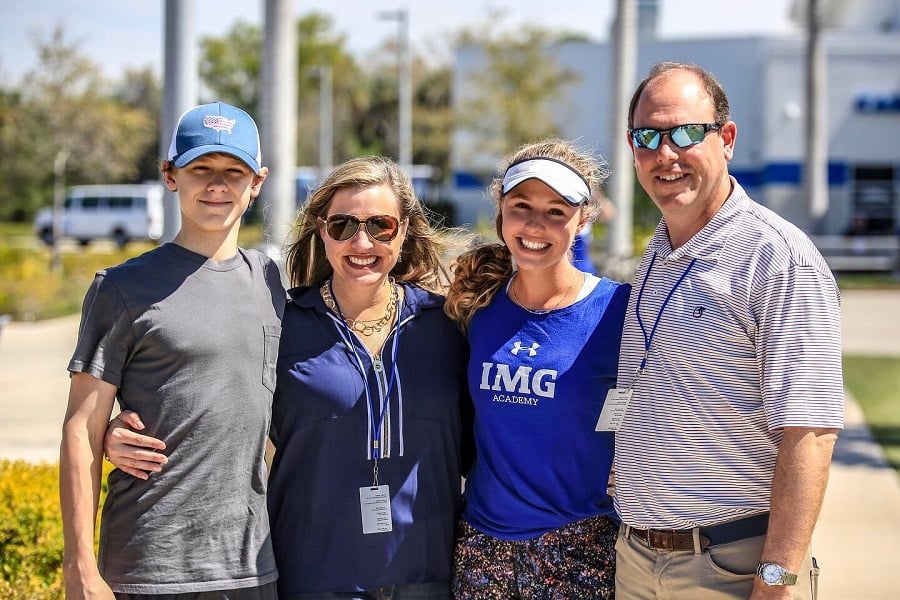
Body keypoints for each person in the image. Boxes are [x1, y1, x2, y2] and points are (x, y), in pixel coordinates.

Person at [105, 156, 474, 599]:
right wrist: (117, 434)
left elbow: (500, 427)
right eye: (342, 225)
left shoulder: (449, 325)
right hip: (312, 575)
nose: (362, 241)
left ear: (404, 230)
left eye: (381, 226)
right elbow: (208, 397)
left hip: (427, 575)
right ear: (321, 230)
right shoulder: (281, 319)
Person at [612, 61, 844, 599]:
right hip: (638, 560)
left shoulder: (777, 258)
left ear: (728, 139)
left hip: (731, 565)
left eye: (687, 133)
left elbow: (809, 432)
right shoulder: (656, 253)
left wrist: (777, 580)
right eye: (648, 136)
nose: (665, 154)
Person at [59, 101, 284, 598]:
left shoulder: (273, 285)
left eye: (234, 171)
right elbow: (81, 427)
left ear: (257, 183)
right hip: (148, 565)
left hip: (252, 567)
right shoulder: (121, 287)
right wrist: (78, 567)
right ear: (169, 174)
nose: (217, 185)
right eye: (200, 168)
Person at [443, 138, 630, 599]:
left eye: (555, 211)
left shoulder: (619, 311)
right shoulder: (475, 305)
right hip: (481, 547)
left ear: (583, 218)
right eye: (521, 205)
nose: (535, 225)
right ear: (501, 211)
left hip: (581, 547)